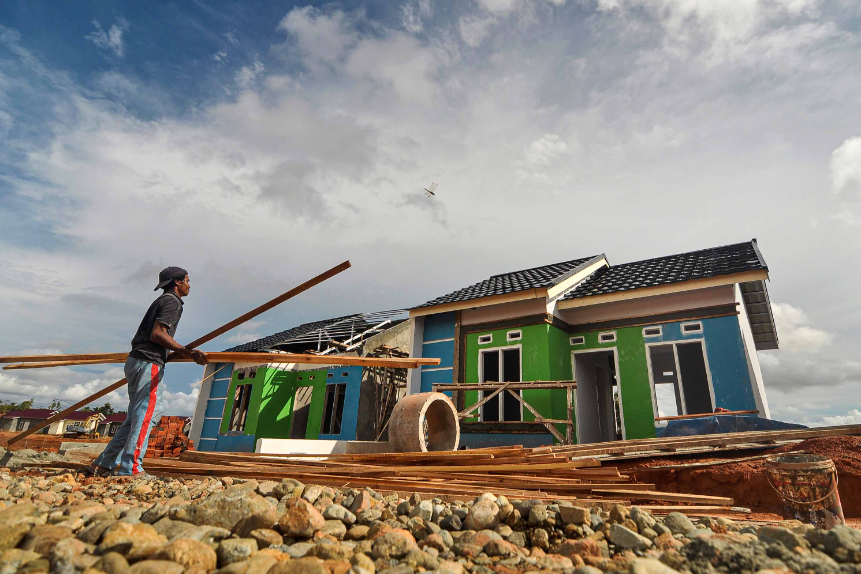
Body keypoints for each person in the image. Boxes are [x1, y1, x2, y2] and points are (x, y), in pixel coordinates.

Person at [85, 267, 207, 477]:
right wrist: (186, 351)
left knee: (134, 418)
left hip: (136, 360)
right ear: (177, 282)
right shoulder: (172, 302)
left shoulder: (162, 301)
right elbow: (158, 333)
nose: (189, 285)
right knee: (147, 415)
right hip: (148, 362)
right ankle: (131, 468)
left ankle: (103, 464)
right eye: (187, 280)